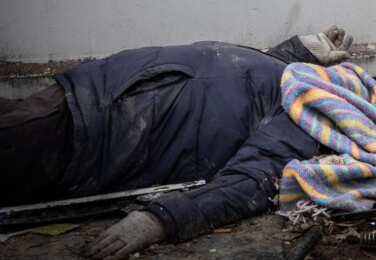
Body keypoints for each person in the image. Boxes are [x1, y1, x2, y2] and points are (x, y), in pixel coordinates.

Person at [0, 27, 353, 259]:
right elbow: (252, 173)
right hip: (98, 116)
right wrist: (299, 52)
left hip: (96, 122)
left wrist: (163, 219)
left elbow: (254, 177)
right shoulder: (291, 80)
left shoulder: (302, 112)